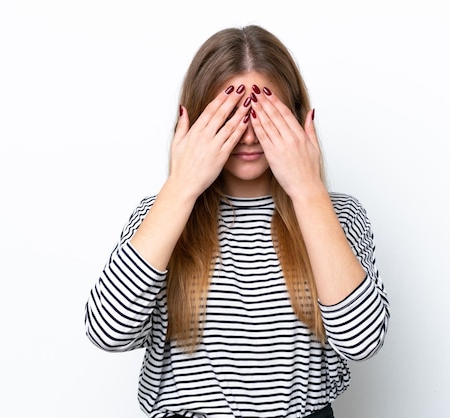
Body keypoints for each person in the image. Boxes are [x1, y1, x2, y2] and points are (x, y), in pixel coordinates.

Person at [84, 24, 390, 418]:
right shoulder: (158, 215)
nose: (247, 136)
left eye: (264, 115)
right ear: (195, 122)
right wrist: (181, 186)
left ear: (296, 119)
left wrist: (308, 190)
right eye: (229, 116)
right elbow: (107, 333)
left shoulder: (339, 215)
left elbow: (363, 341)